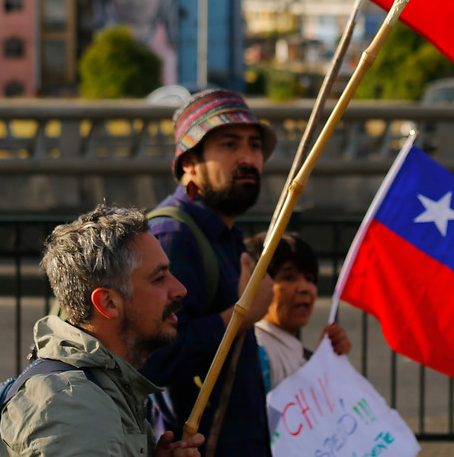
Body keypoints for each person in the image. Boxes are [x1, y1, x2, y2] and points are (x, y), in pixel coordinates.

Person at [0, 205, 204, 457]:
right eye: (159, 278)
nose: (180, 289)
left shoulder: (101, 389)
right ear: (107, 302)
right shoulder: (73, 408)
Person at [142, 89, 277, 457]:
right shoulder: (173, 237)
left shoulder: (224, 234)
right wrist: (237, 318)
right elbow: (152, 359)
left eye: (254, 145)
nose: (248, 158)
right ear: (189, 162)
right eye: (230, 145)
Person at [243, 232, 351, 391]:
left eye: (309, 279)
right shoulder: (257, 352)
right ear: (258, 284)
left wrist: (326, 361)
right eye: (288, 277)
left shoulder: (295, 352)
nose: (305, 288)